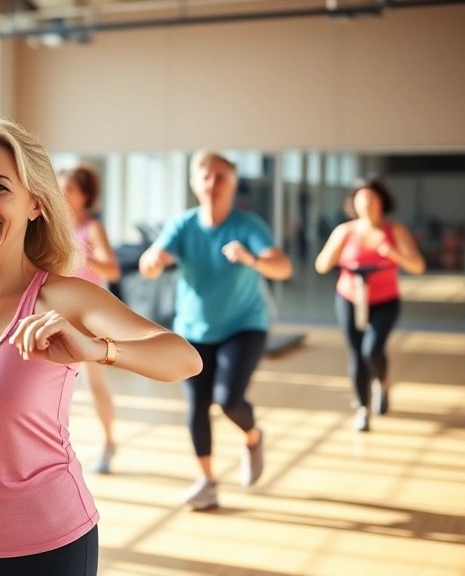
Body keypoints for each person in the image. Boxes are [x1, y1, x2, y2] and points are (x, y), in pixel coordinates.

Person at [0, 119, 202, 575]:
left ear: (35, 205)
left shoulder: (62, 297)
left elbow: (184, 359)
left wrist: (96, 349)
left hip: (50, 542)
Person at [138, 151, 292, 511]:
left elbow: (282, 267)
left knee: (229, 400)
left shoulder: (248, 225)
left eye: (221, 176)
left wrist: (252, 259)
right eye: (205, 176)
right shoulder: (182, 225)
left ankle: (253, 438)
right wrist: (153, 262)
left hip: (243, 326)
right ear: (194, 182)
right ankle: (207, 482)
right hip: (193, 330)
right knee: (196, 406)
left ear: (233, 183)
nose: (212, 183)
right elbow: (149, 265)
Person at [314, 178, 424, 432]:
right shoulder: (345, 231)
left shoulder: (395, 230)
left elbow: (418, 266)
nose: (366, 203)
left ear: (382, 201)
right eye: (361, 198)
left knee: (372, 350)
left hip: (384, 300)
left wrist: (394, 254)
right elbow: (321, 266)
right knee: (355, 352)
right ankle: (362, 408)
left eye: (371, 198)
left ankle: (382, 383)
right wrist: (336, 257)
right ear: (353, 203)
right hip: (349, 298)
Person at [58, 164, 121, 474]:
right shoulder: (50, 227)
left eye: (67, 189)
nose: (60, 194)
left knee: (96, 385)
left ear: (83, 196)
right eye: (58, 188)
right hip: (57, 316)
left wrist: (85, 256)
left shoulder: (92, 229)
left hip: (90, 318)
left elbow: (112, 271)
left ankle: (109, 441)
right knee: (53, 390)